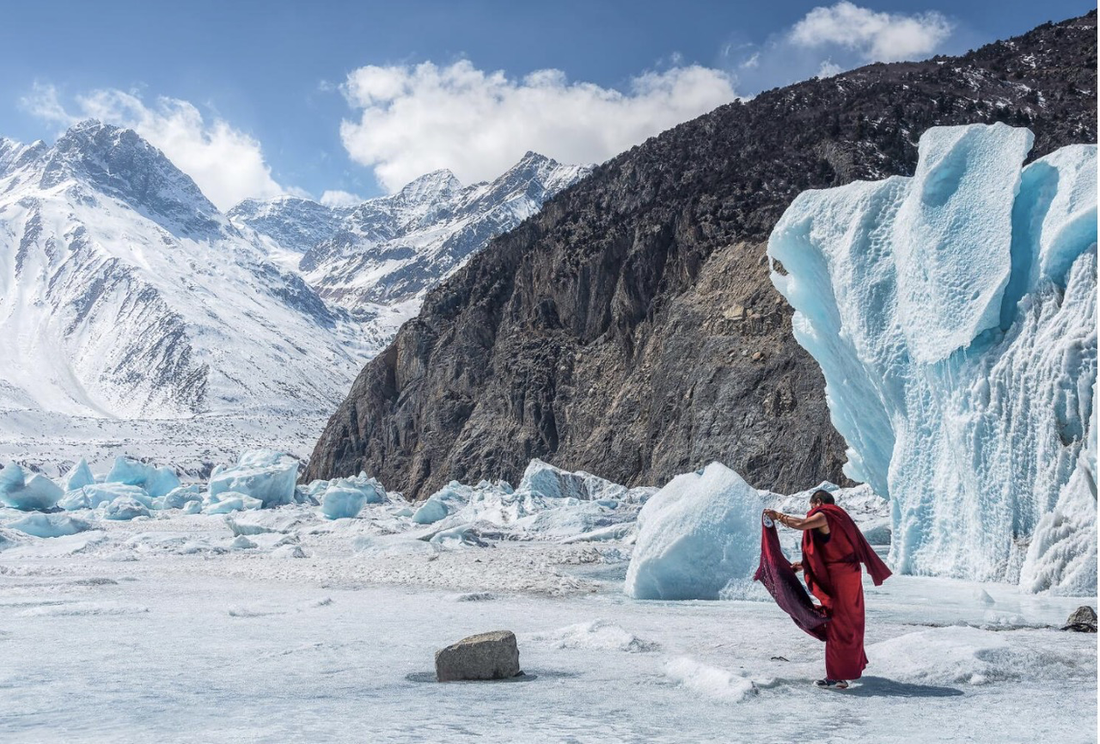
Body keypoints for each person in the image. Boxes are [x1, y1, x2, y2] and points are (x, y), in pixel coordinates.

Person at [764, 489, 891, 690]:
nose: (811, 512)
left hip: (839, 579)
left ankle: (837, 676)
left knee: (837, 623)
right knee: (848, 621)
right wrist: (805, 565)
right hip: (849, 576)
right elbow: (835, 550)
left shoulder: (825, 514)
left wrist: (778, 516)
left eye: (811, 507)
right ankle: (847, 668)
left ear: (819, 502)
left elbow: (802, 524)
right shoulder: (841, 518)